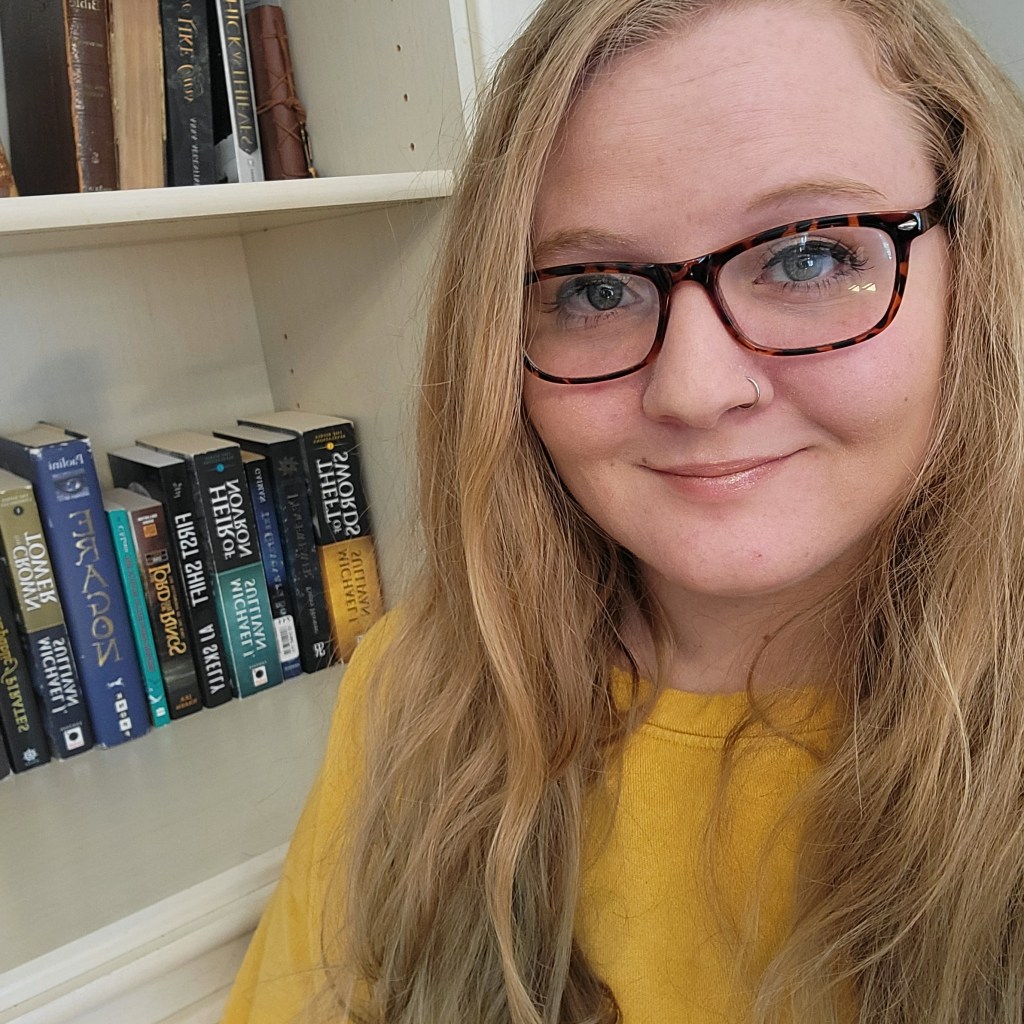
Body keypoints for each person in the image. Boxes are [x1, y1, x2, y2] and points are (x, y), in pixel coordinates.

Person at [223, 0, 1024, 1021]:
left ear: (981, 270)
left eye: (810, 256)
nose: (693, 390)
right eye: (595, 289)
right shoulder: (423, 688)